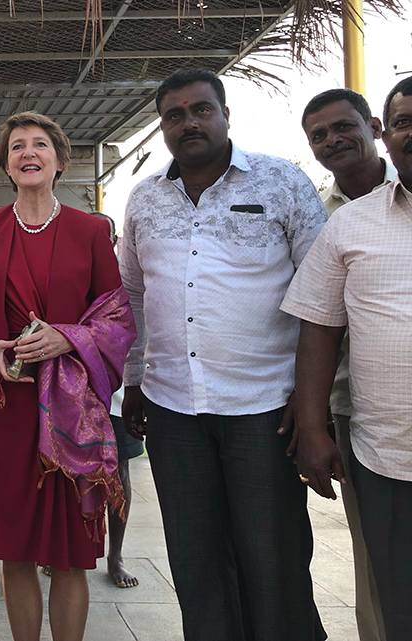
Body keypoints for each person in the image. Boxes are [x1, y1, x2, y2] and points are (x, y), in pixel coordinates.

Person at [119, 69, 328, 641]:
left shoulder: (282, 183)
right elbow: (134, 295)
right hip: (172, 411)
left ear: (226, 114)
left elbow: (323, 299)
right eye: (174, 115)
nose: (189, 122)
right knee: (196, 564)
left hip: (263, 410)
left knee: (273, 562)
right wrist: (133, 381)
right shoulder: (144, 199)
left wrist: (311, 407)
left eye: (201, 110)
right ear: (162, 127)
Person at [0, 111, 135, 641]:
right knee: (14, 550)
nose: (29, 152)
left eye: (40, 144)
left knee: (70, 555)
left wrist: (68, 337)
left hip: (70, 411)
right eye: (18, 146)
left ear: (60, 160)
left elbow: (116, 316)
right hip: (4, 407)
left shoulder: (92, 230)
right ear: (6, 165)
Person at [283, 76, 412, 641]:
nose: (332, 140)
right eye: (319, 135)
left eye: (343, 127)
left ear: (373, 133)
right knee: (386, 577)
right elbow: (317, 325)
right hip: (373, 430)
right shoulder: (334, 218)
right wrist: (311, 421)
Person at [90, 211, 143, 590]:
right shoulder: (65, 275)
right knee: (65, 477)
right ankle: (64, 549)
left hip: (118, 399)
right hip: (72, 400)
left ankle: (116, 556)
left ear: (113, 239)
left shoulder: (127, 281)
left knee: (118, 480)